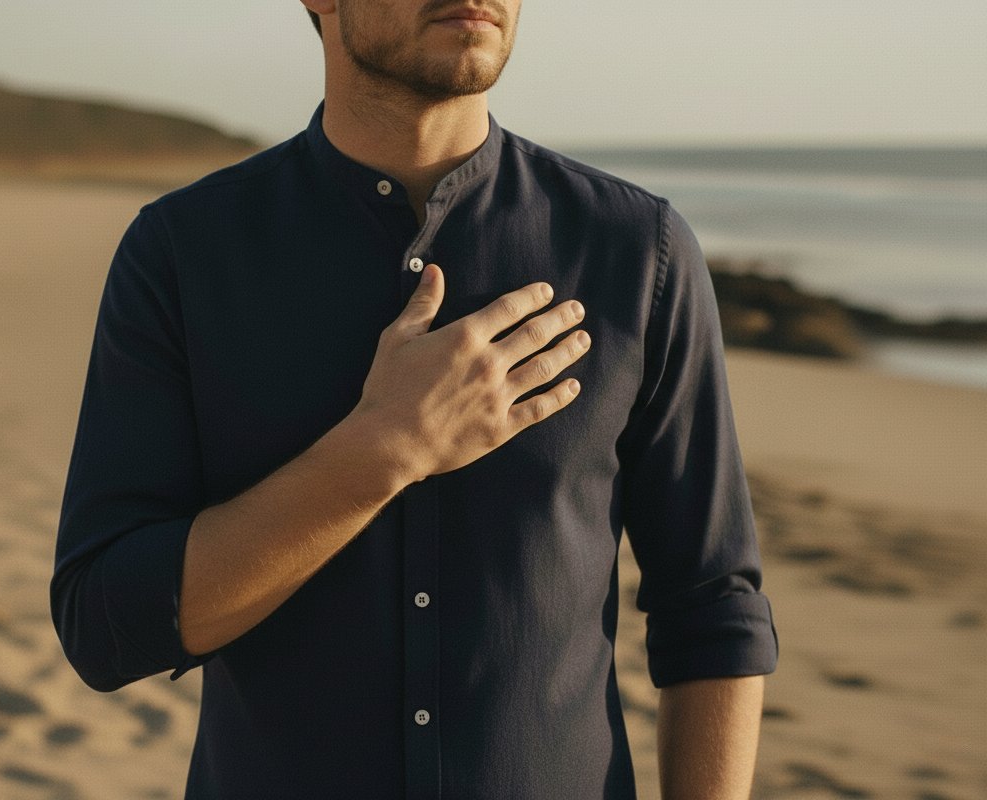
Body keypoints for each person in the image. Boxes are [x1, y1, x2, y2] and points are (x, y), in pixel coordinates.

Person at [50, 1, 778, 797]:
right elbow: (104, 629)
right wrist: (385, 449)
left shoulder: (638, 251)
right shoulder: (183, 253)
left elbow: (713, 611)